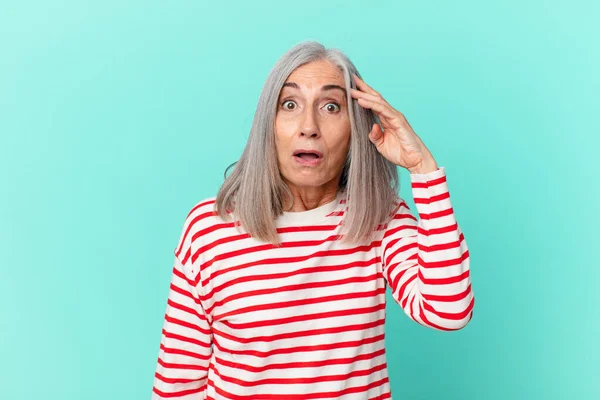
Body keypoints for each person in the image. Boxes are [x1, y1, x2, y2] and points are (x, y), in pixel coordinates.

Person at [151, 41, 474, 400]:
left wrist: (422, 169)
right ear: (267, 125)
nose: (309, 127)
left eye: (331, 106)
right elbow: (179, 384)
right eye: (290, 105)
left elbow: (448, 310)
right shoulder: (209, 229)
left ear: (357, 130)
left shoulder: (380, 221)